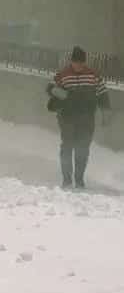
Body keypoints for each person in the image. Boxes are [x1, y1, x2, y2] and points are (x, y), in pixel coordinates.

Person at [46, 46, 110, 190]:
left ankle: (79, 180)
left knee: (82, 148)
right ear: (72, 61)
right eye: (76, 62)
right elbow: (49, 87)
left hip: (87, 118)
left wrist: (105, 113)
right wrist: (60, 93)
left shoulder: (93, 75)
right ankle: (67, 180)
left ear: (84, 62)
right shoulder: (63, 74)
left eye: (81, 63)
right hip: (67, 117)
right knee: (67, 146)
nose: (78, 65)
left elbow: (102, 93)